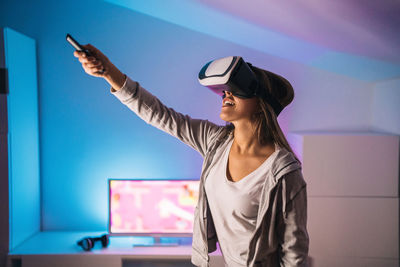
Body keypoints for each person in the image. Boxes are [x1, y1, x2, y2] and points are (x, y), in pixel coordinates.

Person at [74, 44, 310, 267]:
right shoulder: (215, 142)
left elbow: (293, 253)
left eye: (237, 90)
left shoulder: (283, 173)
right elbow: (159, 114)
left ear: (261, 103)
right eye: (225, 90)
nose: (226, 94)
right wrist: (107, 70)